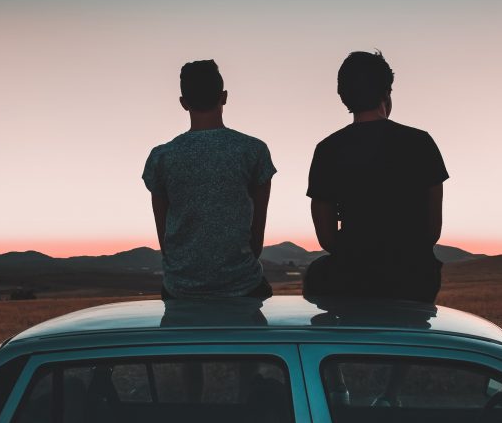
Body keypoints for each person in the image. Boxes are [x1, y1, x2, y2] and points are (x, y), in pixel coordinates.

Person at [304, 50, 449, 303]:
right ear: (387, 92)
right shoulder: (420, 142)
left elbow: (326, 237)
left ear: (343, 96)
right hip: (414, 278)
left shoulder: (327, 149)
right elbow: (432, 230)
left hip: (352, 277)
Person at [142, 59, 275, 299]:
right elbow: (257, 233)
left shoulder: (161, 157)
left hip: (180, 288)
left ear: (183, 103)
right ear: (224, 97)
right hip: (243, 285)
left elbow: (164, 236)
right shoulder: (253, 151)